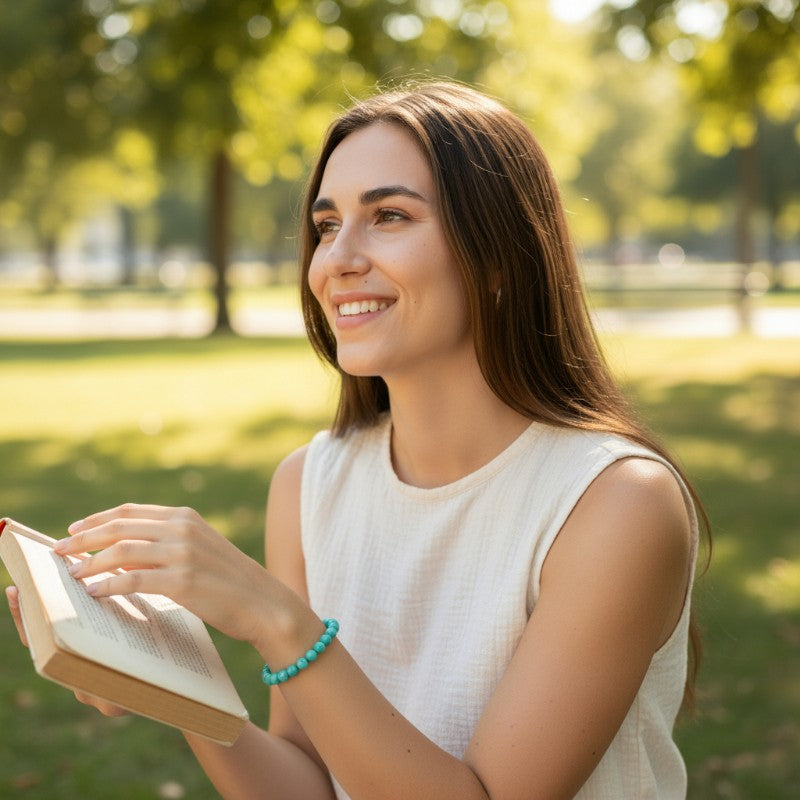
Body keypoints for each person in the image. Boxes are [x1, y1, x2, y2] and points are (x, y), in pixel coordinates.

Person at [6, 81, 706, 799]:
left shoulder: (616, 505)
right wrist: (170, 673)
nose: (337, 258)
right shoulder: (308, 484)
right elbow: (312, 784)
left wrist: (277, 621)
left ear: (499, 256)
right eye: (329, 224)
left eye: (390, 215)